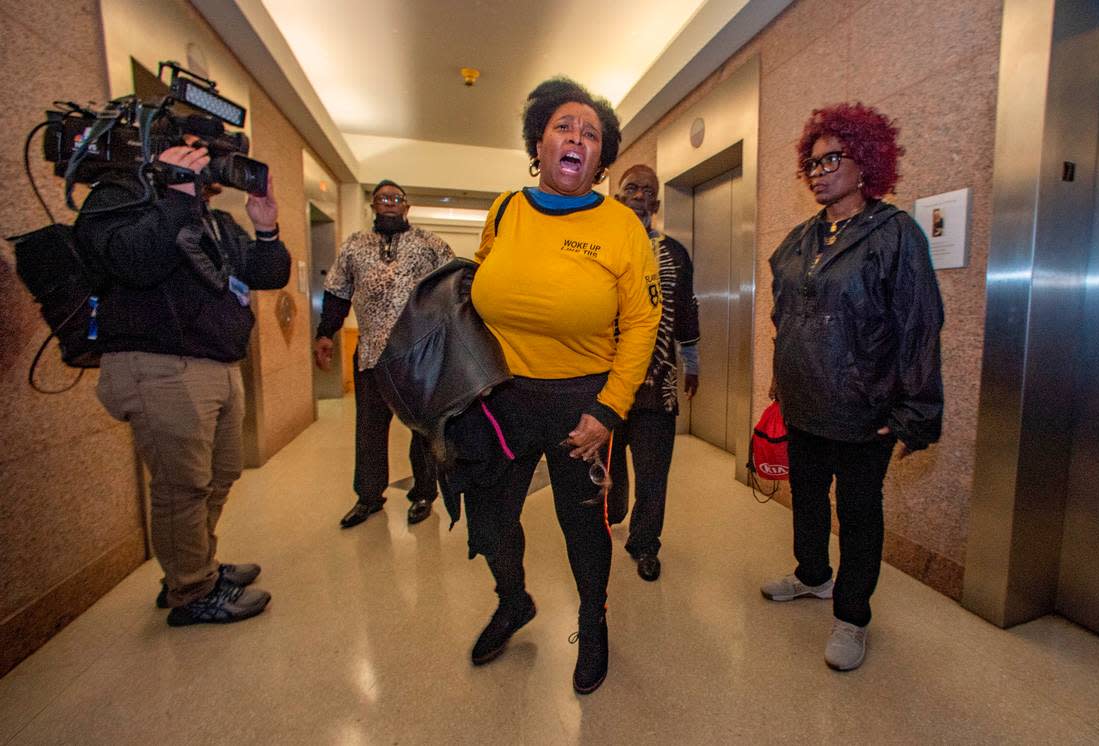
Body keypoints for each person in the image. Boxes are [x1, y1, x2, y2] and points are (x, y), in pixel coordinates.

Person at [467, 78, 661, 694]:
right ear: (539, 142)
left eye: (590, 133)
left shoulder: (623, 227)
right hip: (499, 396)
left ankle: (592, 622)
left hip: (583, 401)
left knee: (581, 524)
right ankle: (512, 599)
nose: (576, 137)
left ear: (599, 159)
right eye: (563, 127)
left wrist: (609, 409)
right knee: (491, 517)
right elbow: (479, 292)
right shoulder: (504, 210)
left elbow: (642, 324)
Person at [75, 136, 291, 627]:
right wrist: (176, 193)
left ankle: (195, 568)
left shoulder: (215, 220)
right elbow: (133, 261)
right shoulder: (119, 198)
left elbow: (267, 274)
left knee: (220, 475)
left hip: (217, 364)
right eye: (193, 151)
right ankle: (191, 591)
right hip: (161, 365)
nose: (207, 163)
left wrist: (266, 228)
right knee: (183, 486)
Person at [762, 103, 944, 671]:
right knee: (808, 500)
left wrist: (913, 411)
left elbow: (919, 325)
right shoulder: (799, 240)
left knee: (859, 513)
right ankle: (813, 576)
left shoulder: (895, 234)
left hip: (866, 409)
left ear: (865, 163)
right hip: (804, 402)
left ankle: (853, 615)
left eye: (831, 159)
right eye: (811, 163)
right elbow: (784, 316)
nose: (818, 171)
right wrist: (779, 384)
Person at [314, 180, 454, 528]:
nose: (389, 204)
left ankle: (424, 493)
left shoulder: (429, 244)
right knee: (370, 429)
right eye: (382, 199)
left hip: (418, 357)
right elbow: (336, 292)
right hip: (370, 356)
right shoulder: (354, 246)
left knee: (423, 430)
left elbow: (453, 288)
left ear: (406, 207)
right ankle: (369, 496)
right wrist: (325, 334)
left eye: (395, 199)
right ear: (373, 207)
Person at [609, 164, 700, 582]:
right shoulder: (601, 247)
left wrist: (692, 363)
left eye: (648, 191)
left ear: (657, 203)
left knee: (653, 473)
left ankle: (645, 543)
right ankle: (611, 514)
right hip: (605, 384)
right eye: (632, 188)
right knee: (606, 467)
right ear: (617, 197)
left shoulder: (675, 253)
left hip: (658, 383)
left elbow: (686, 310)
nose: (640, 196)